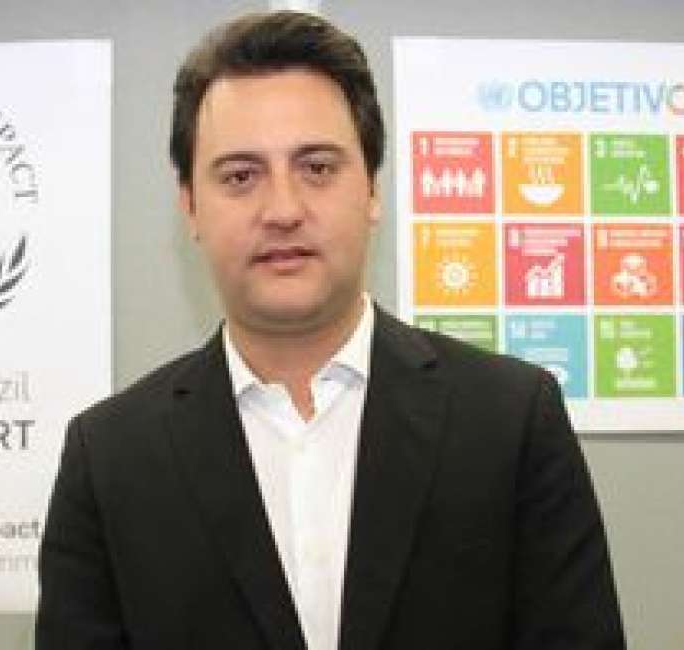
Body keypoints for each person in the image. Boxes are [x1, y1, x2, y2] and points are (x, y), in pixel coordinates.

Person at [36, 10, 625, 650]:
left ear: (371, 188)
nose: (283, 210)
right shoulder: (110, 458)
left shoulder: (511, 422)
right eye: (240, 176)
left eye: (317, 167)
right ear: (190, 207)